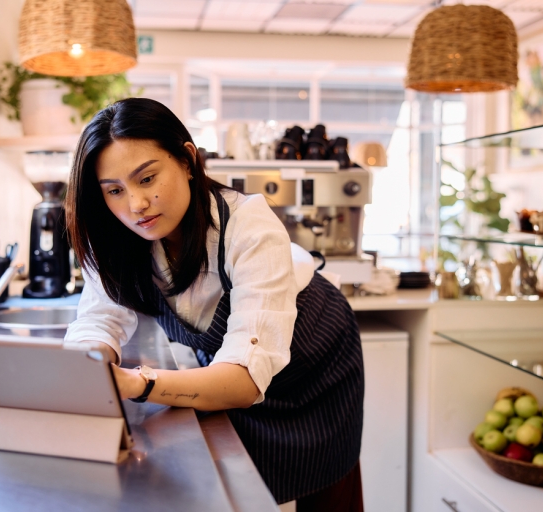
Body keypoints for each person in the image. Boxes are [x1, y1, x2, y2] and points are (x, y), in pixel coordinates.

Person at [64, 97, 365, 510]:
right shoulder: (119, 238)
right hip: (230, 366)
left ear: (187, 161)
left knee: (321, 484)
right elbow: (100, 317)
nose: (135, 205)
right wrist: (88, 366)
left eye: (147, 179)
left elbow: (242, 381)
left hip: (313, 367)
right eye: (115, 190)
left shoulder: (248, 225)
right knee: (238, 487)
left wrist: (138, 383)